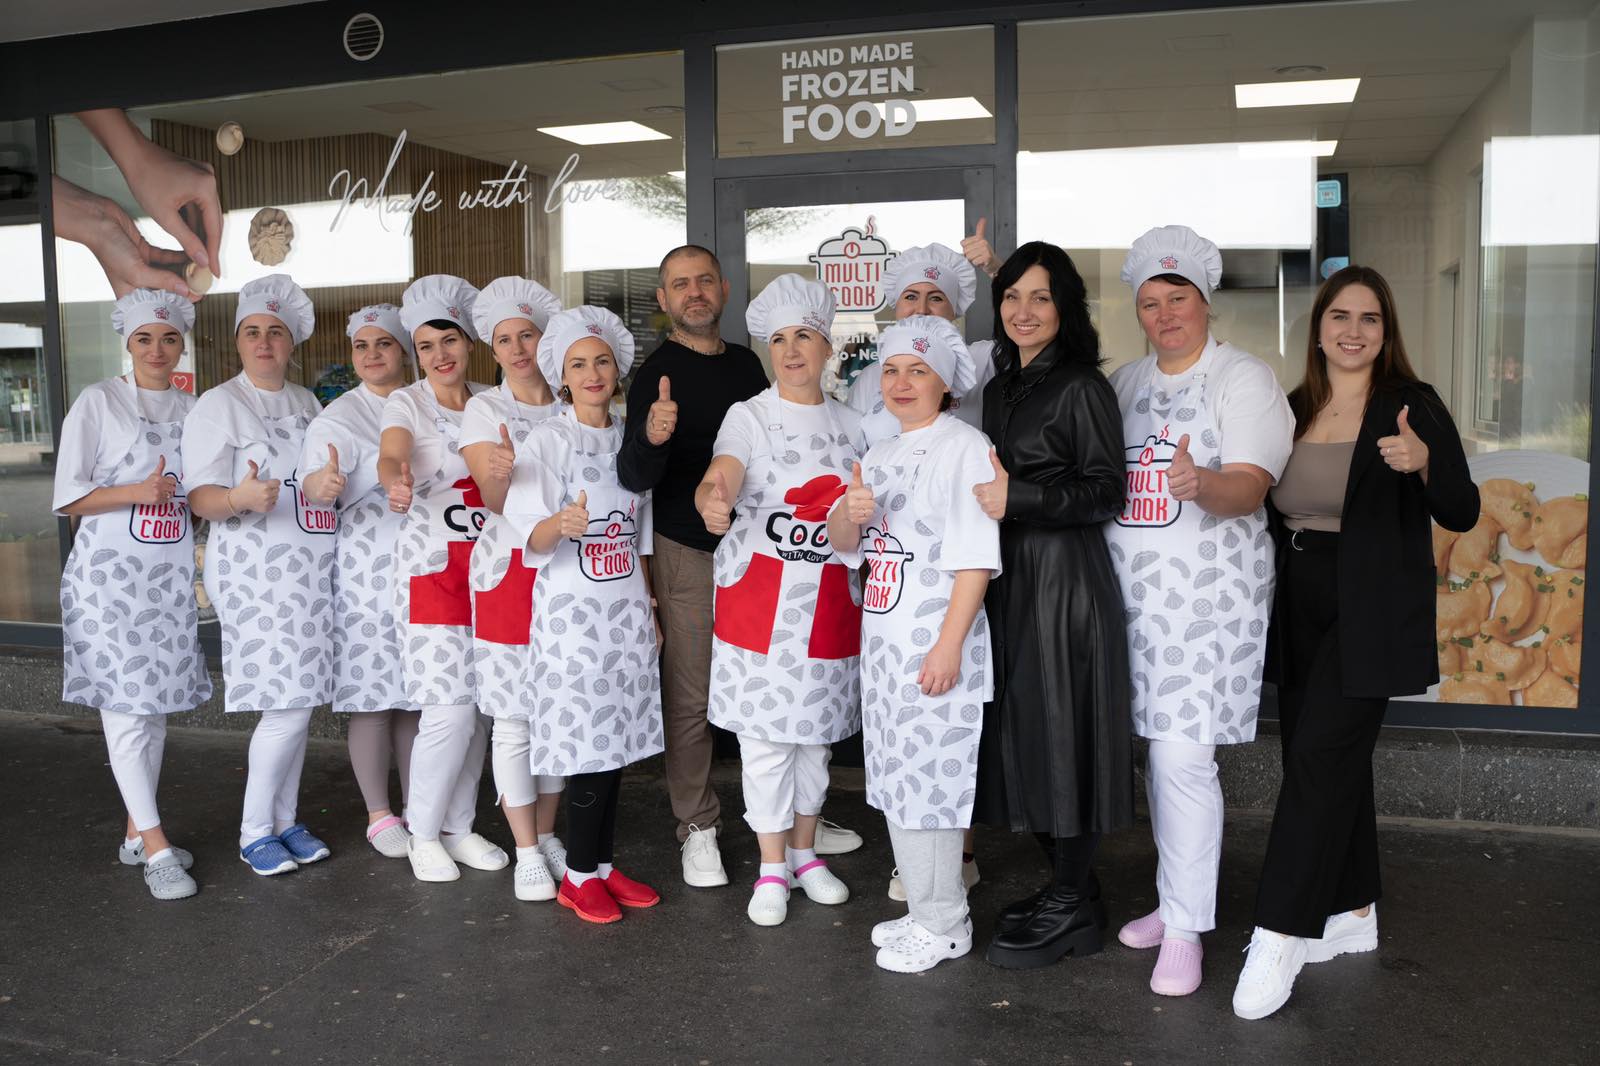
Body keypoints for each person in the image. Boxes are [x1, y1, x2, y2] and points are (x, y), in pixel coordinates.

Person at [1232, 266, 1477, 1020]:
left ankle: (1277, 935)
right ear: (1319, 327)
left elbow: (1462, 509)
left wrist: (1426, 464)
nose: (1354, 330)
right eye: (1341, 315)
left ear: (1386, 331)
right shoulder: (1293, 406)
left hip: (1368, 603)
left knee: (1316, 763)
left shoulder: (1411, 406)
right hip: (1297, 598)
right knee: (1325, 758)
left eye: (1370, 318)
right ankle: (1355, 914)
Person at [619, 245, 861, 887]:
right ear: (664, 299)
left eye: (704, 281)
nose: (693, 293)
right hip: (690, 548)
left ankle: (787, 821)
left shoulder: (751, 366)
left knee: (801, 682)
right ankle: (697, 825)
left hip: (769, 554)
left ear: (722, 290)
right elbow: (635, 474)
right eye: (679, 284)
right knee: (697, 694)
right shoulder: (657, 373)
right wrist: (657, 438)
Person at [1103, 226, 1295, 997]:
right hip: (1133, 603)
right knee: (1159, 756)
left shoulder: (1241, 378)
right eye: (1150, 302)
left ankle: (1185, 930)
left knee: (1183, 762)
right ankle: (1171, 899)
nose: (1164, 313)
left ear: (1204, 301)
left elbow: (1250, 486)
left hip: (1207, 605)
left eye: (1176, 296)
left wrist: (1198, 485)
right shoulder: (1124, 383)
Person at [971, 242, 1133, 969]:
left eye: (1039, 297)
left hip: (1064, 579)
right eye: (1011, 297)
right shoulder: (1004, 384)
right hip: (1010, 576)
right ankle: (1074, 886)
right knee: (1025, 732)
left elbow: (1106, 491)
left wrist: (1023, 498)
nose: (1023, 311)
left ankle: (1072, 898)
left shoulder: (1079, 386)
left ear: (1063, 306)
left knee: (1062, 732)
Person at [827, 315, 1000, 973]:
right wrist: (850, 513)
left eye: (918, 371)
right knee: (900, 783)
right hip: (886, 648)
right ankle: (926, 908)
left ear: (945, 383)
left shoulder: (966, 446)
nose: (901, 382)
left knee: (935, 787)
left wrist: (949, 645)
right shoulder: (879, 451)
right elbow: (849, 546)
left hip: (935, 648)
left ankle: (947, 924)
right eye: (893, 369)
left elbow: (974, 560)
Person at [697, 274, 864, 927]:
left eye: (804, 337)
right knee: (765, 742)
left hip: (827, 599)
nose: (791, 349)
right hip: (760, 599)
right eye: (779, 339)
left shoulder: (856, 424)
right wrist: (713, 495)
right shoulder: (751, 414)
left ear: (827, 347)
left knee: (816, 741)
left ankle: (805, 853)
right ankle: (771, 866)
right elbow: (726, 468)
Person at [505, 305, 663, 924]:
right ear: (562, 376)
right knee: (587, 742)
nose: (592, 372)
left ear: (617, 369)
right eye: (578, 364)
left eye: (601, 360)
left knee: (616, 737)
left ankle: (600, 864)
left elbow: (640, 531)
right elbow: (528, 536)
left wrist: (648, 603)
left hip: (624, 607)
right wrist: (558, 525)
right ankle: (575, 875)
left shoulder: (630, 434)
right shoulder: (547, 439)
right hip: (573, 614)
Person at [55, 288, 211, 900]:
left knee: (156, 715)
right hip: (107, 580)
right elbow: (69, 496)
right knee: (126, 713)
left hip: (167, 580)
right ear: (128, 342)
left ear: (181, 344)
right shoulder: (99, 401)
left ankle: (132, 831)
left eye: (168, 338)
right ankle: (156, 847)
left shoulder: (196, 409)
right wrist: (133, 494)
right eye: (145, 338)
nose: (156, 349)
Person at [185, 274, 335, 877]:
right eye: (253, 332)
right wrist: (239, 497)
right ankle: (254, 832)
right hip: (252, 570)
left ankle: (285, 821)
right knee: (287, 704)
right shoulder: (218, 404)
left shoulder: (307, 402)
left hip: (306, 564)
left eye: (276, 331)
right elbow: (199, 498)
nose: (264, 341)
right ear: (238, 342)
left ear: (291, 341)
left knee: (298, 698)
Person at [382, 274, 502, 884]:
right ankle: (421, 830)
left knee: (480, 709)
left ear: (469, 341)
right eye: (426, 346)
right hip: (432, 576)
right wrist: (395, 477)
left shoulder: (491, 398)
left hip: (493, 574)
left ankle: (458, 826)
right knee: (449, 711)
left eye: (448, 340)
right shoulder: (407, 402)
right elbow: (393, 448)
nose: (439, 355)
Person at [299, 304, 419, 859]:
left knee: (420, 697)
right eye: (362, 346)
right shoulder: (340, 417)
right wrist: (322, 484)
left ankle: (424, 805)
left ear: (404, 351)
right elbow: (313, 482)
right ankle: (378, 813)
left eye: (384, 344)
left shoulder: (427, 405)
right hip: (369, 574)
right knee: (374, 698)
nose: (372, 355)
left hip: (427, 567)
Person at [460, 276, 568, 901]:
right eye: (505, 339)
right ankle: (525, 847)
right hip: (510, 572)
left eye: (528, 333)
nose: (519, 346)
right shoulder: (485, 410)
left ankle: (548, 831)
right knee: (515, 717)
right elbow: (497, 503)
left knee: (558, 709)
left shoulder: (574, 396)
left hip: (573, 573)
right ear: (492, 351)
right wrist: (497, 473)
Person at [847, 240, 995, 445]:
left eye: (936, 298)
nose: (922, 309)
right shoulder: (870, 378)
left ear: (955, 310)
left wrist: (997, 271)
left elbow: (1046, 342)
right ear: (896, 306)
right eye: (910, 297)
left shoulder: (981, 360)